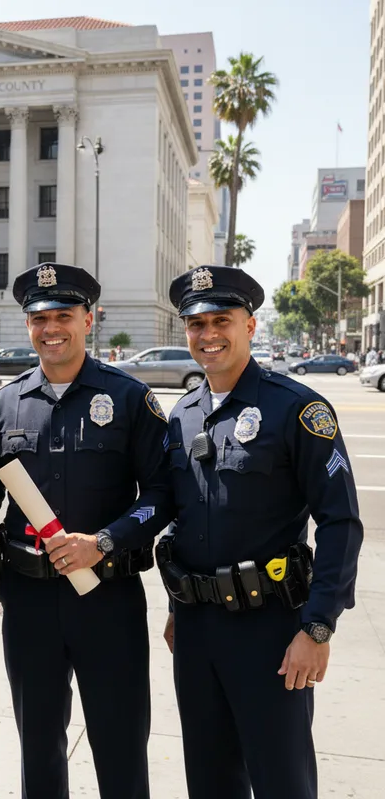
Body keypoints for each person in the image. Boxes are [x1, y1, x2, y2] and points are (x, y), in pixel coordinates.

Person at [0, 263, 171, 799]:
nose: (51, 329)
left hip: (106, 597)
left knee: (119, 739)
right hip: (29, 598)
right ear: (27, 326)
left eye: (64, 316)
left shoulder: (128, 398)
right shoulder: (7, 402)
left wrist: (103, 543)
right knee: (38, 742)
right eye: (40, 319)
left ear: (89, 319)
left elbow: (165, 495)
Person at [161, 266, 363, 799]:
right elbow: (186, 517)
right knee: (208, 778)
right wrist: (176, 609)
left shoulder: (296, 408)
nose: (208, 335)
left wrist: (318, 626)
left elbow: (340, 522)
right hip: (198, 627)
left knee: (281, 779)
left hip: (270, 630)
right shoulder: (182, 414)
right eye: (196, 324)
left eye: (221, 321)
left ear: (250, 326)